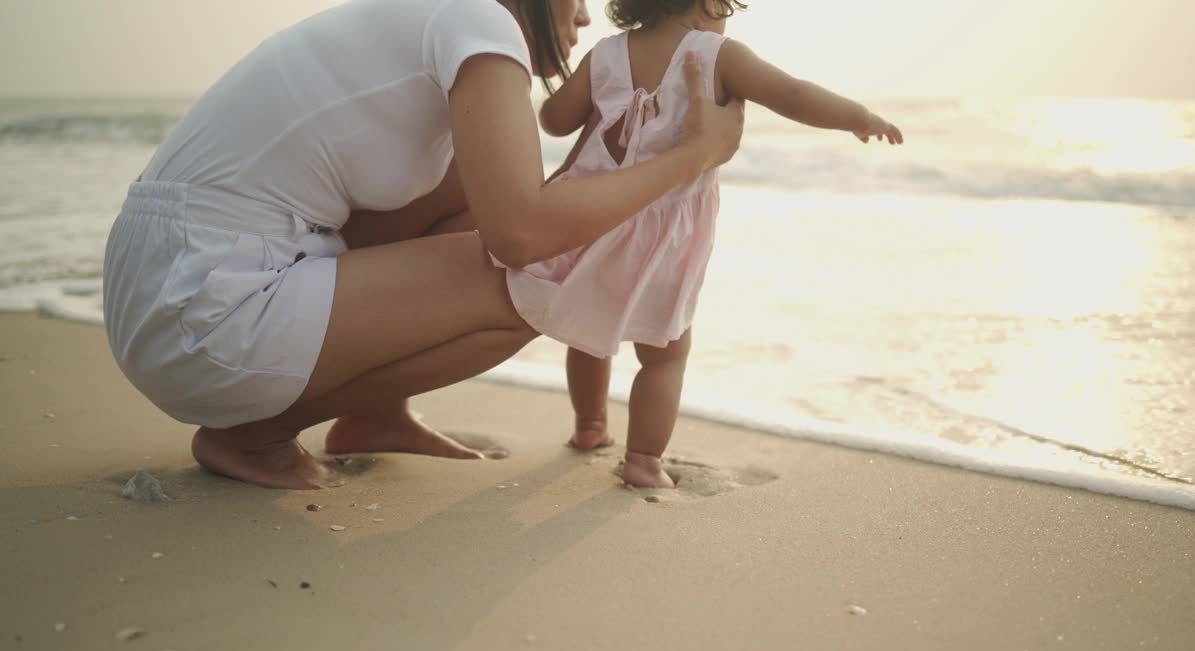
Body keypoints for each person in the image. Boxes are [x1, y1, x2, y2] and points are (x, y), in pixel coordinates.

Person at [101, 0, 746, 490]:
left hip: (167, 279)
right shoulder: (483, 23)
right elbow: (526, 237)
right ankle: (253, 433)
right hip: (207, 311)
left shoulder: (437, 15)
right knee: (548, 280)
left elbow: (502, 203)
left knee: (479, 194)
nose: (583, 15)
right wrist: (692, 157)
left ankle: (379, 414)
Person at [504, 0, 903, 488]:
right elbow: (794, 95)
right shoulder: (719, 55)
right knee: (666, 353)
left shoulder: (605, 55)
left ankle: (590, 427)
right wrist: (859, 117)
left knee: (591, 327)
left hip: (594, 214)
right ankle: (643, 460)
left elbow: (555, 119)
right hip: (664, 234)